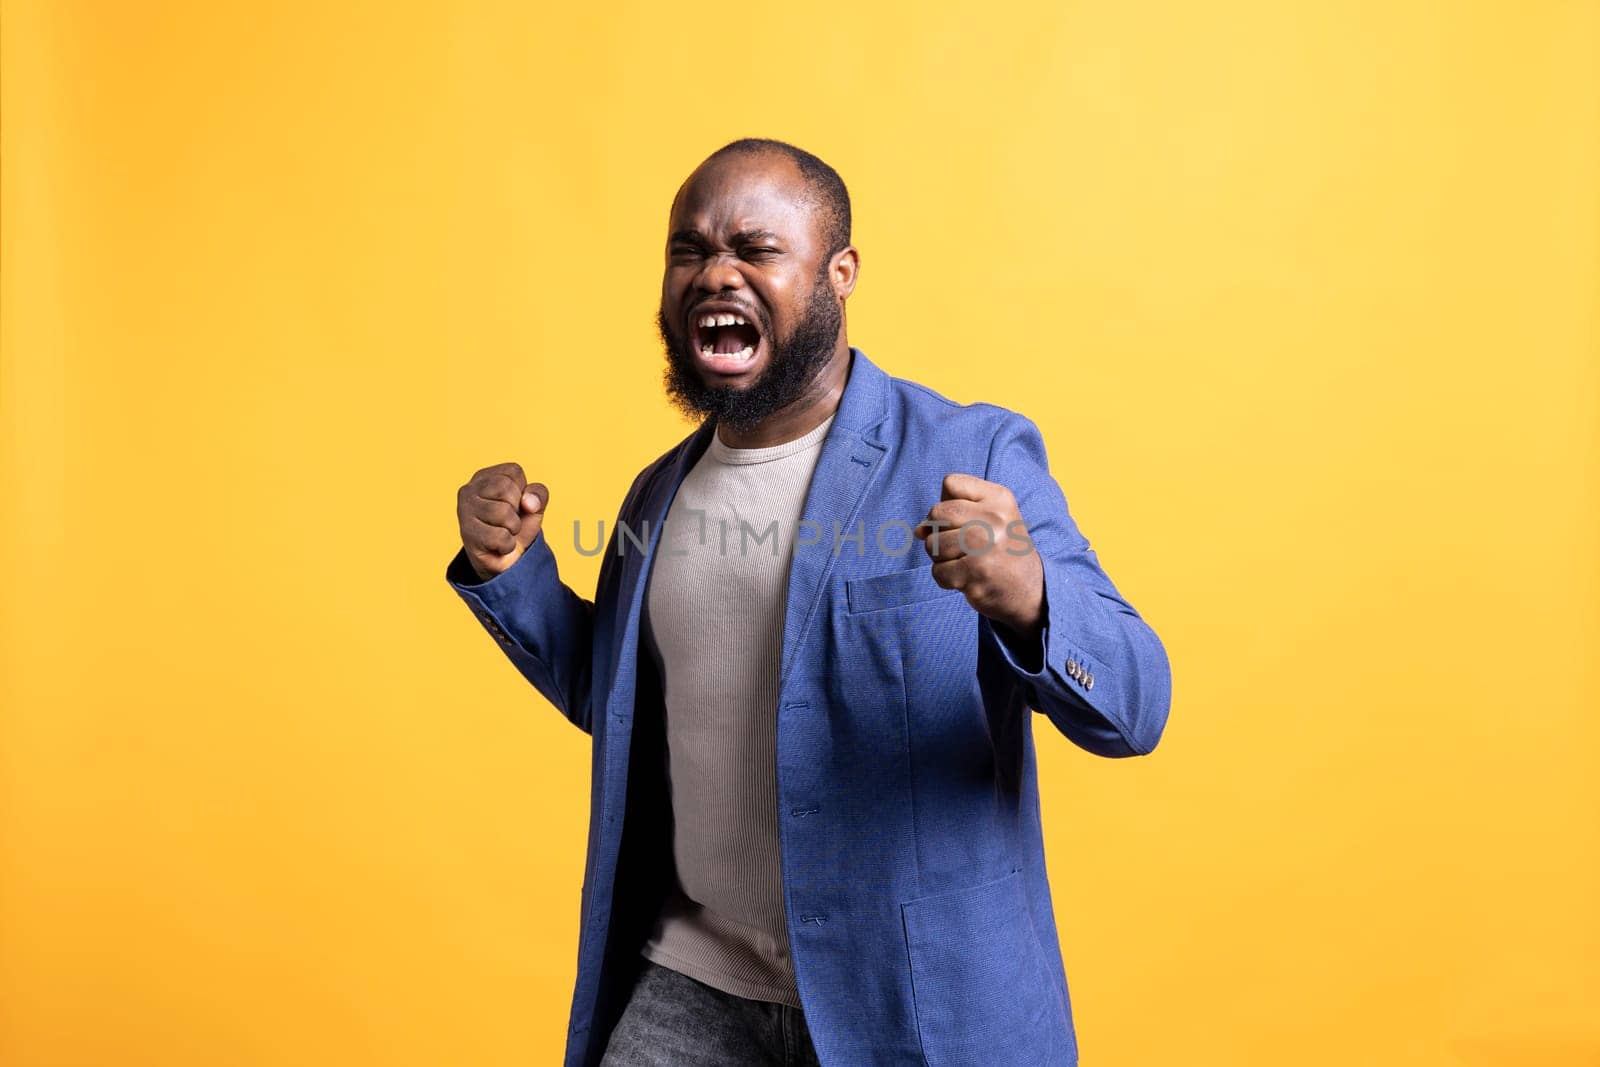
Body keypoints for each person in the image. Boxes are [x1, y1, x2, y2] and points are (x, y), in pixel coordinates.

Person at [446, 137, 1172, 1067]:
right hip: (696, 981)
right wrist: (514, 570)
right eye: (689, 250)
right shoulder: (656, 495)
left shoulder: (969, 451)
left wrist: (1032, 601)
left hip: (910, 999)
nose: (716, 273)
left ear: (840, 273)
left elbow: (1138, 704)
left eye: (755, 249)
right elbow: (627, 707)